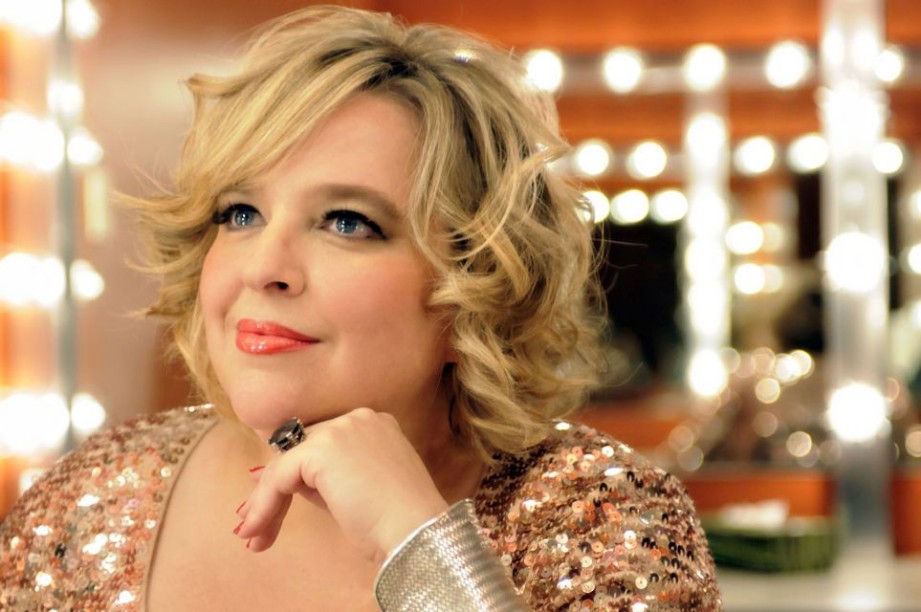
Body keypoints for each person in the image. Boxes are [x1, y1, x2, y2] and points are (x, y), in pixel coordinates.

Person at [0, 6, 721, 610]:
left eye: (347, 222)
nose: (264, 268)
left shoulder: (602, 515)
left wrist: (424, 550)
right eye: (241, 213)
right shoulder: (92, 496)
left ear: (475, 284)